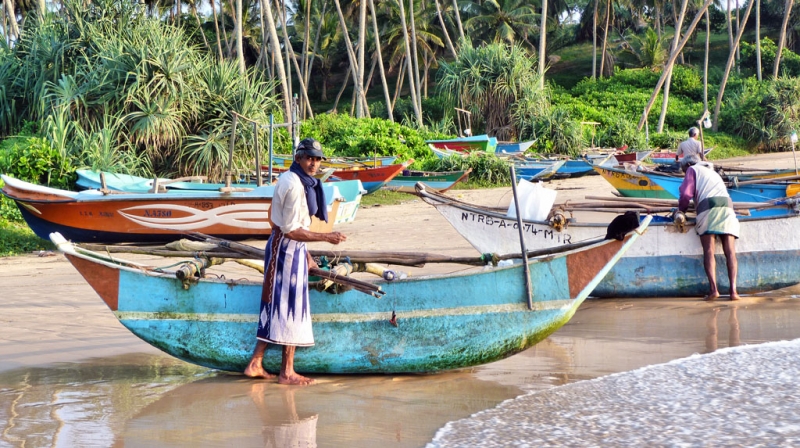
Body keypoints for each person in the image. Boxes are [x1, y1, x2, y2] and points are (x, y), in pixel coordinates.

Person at [244, 138, 347, 385]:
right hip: (285, 248)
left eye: (317, 159)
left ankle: (255, 363)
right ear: (298, 158)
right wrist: (326, 237)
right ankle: (286, 372)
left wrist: (308, 257)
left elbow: (293, 226)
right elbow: (290, 230)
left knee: (277, 307)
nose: (313, 163)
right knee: (290, 307)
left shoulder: (304, 182)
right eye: (309, 158)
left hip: (292, 249)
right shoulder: (292, 184)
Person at [677, 154, 740, 301]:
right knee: (730, 251)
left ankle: (713, 290)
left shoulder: (692, 170)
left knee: (709, 251)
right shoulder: (712, 171)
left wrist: (681, 210)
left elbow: (686, 194)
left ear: (687, 166)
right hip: (727, 205)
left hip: (708, 207)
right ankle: (733, 292)